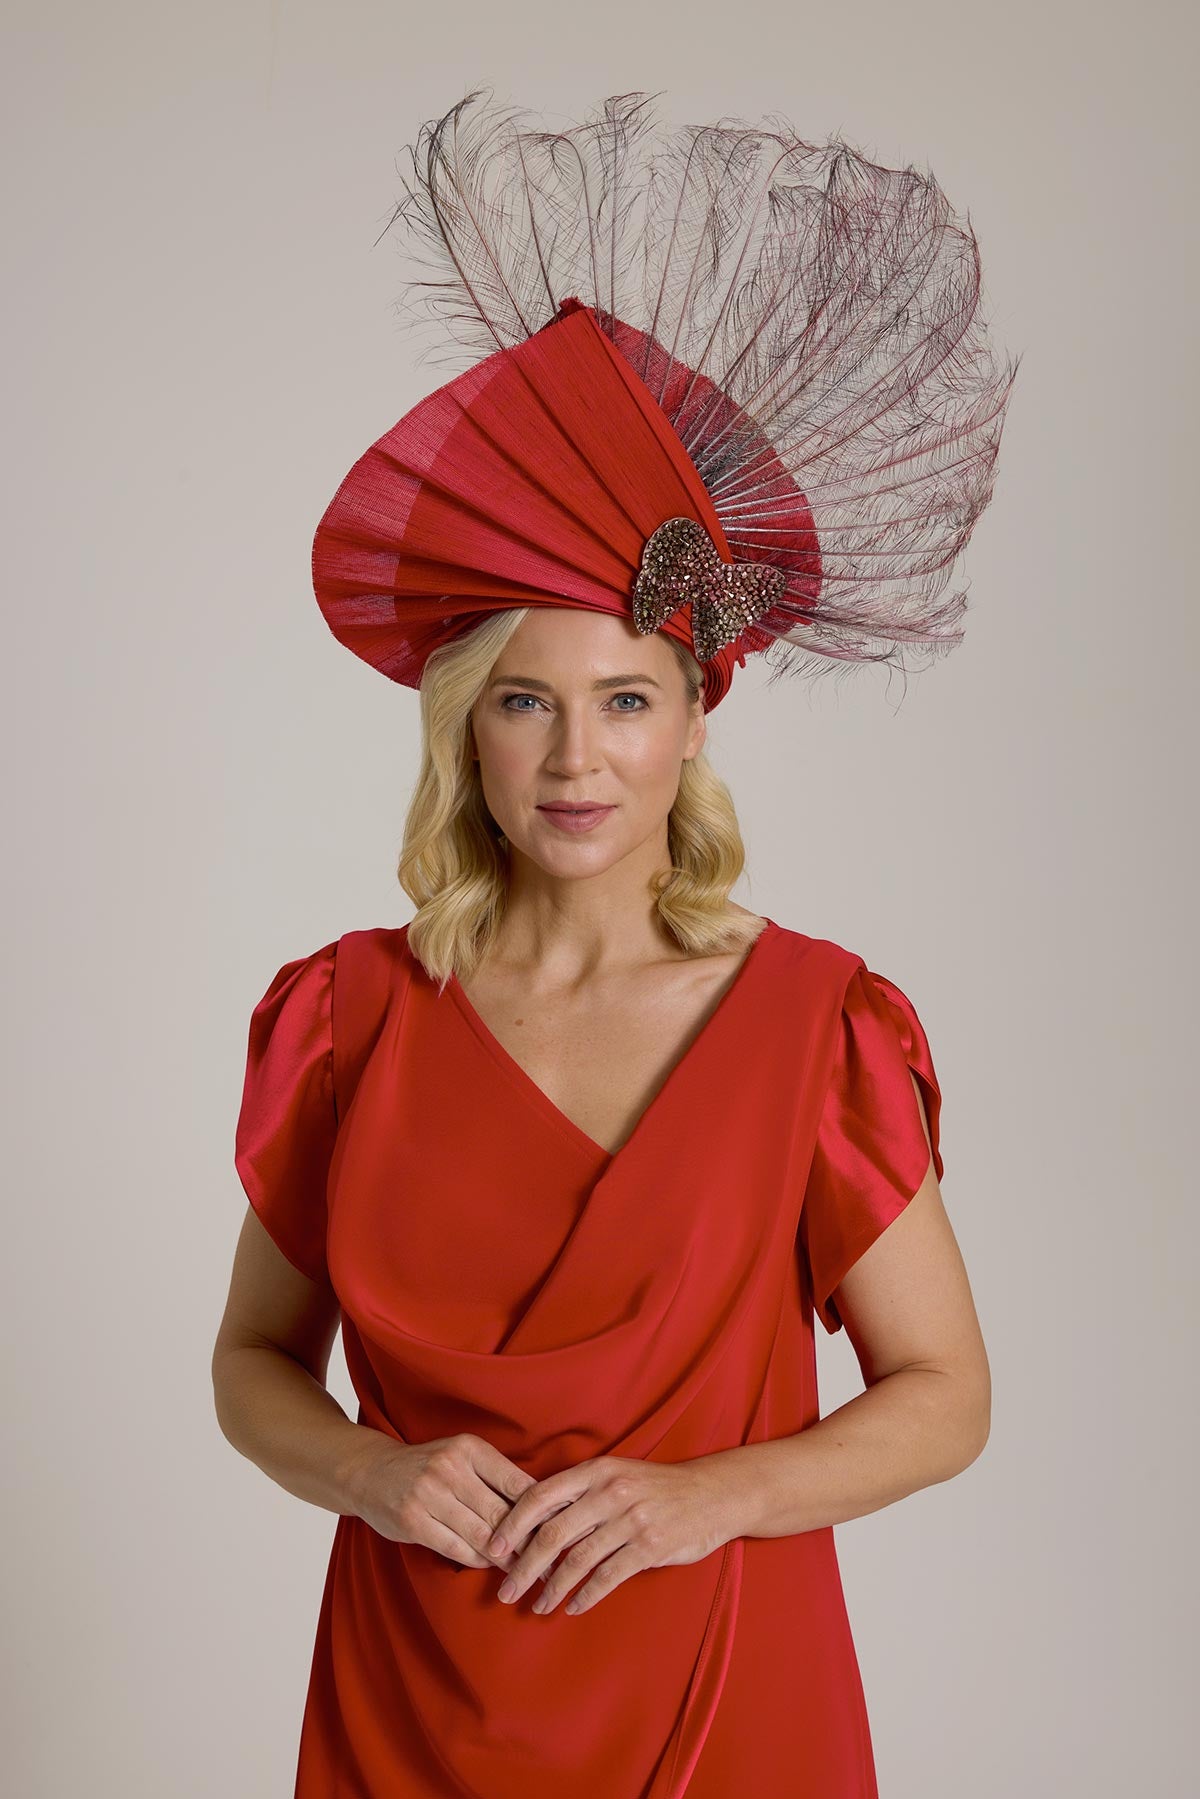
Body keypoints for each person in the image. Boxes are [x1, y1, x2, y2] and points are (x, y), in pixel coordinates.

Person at [212, 89, 1015, 1798]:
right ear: (466, 735)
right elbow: (252, 1366)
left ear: (691, 730)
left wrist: (705, 1496)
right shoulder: (346, 1016)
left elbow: (944, 1392)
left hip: (725, 1693)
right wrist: (372, 1473)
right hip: (408, 1694)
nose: (577, 759)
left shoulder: (818, 1024)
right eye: (525, 703)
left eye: (625, 702)